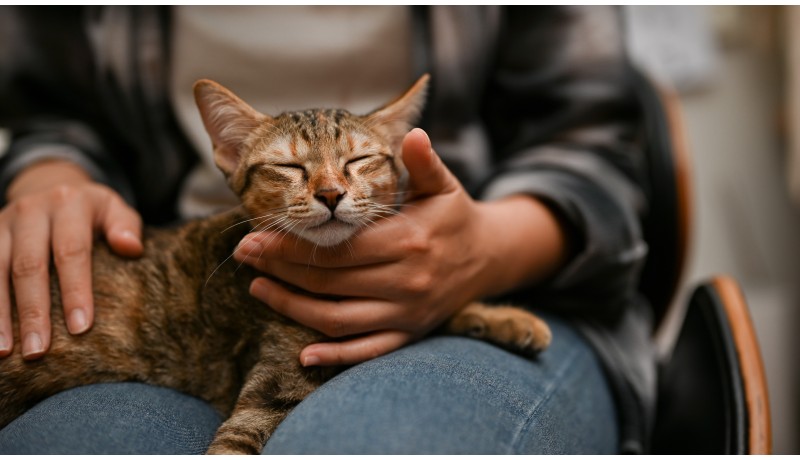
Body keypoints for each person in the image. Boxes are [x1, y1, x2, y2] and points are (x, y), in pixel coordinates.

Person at [0, 6, 655, 454]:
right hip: (197, 288)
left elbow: (597, 152)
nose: (331, 187)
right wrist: (48, 170)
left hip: (510, 275)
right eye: (293, 168)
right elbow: (51, 112)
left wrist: (480, 254)